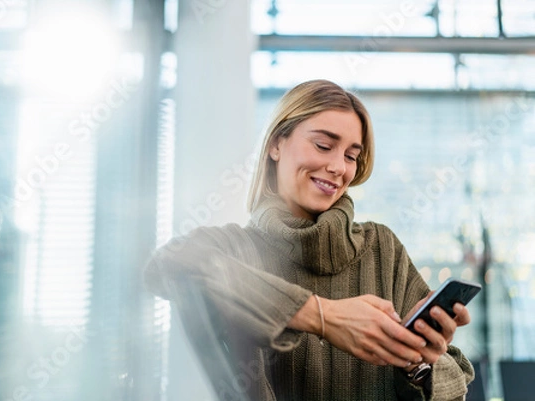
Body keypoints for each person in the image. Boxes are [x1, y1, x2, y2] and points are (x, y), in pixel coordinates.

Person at [144, 79, 474, 400]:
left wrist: (417, 363)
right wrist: (323, 316)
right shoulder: (233, 248)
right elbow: (168, 265)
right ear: (276, 144)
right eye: (323, 145)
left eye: (350, 155)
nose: (337, 167)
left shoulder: (382, 249)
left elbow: (455, 378)